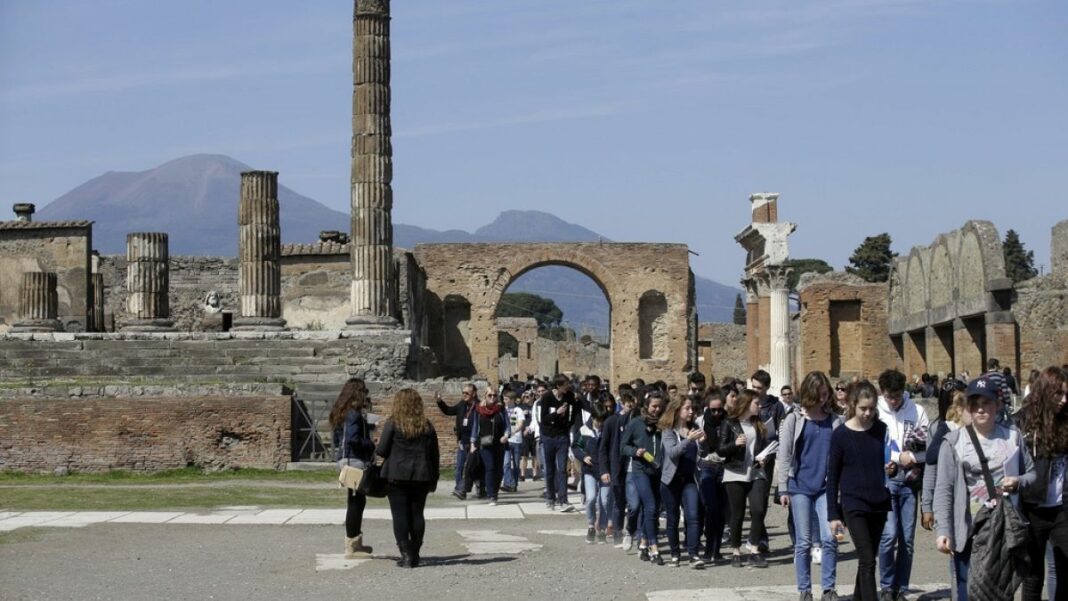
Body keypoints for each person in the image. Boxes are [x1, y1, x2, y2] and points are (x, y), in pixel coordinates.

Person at [934, 376, 1036, 601]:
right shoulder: (953, 442)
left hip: (1003, 529)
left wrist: (1017, 481)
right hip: (968, 529)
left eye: (986, 403)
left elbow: (1032, 474)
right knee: (966, 590)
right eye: (974, 404)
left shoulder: (1012, 436)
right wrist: (943, 531)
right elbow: (943, 489)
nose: (980, 409)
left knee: (999, 592)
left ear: (997, 404)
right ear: (967, 407)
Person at [777, 371, 843, 601]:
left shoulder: (834, 420)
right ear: (810, 394)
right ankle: (804, 590)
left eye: (826, 395)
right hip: (800, 486)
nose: (824, 399)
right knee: (804, 542)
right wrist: (782, 487)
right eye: (820, 395)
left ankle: (828, 588)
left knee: (830, 538)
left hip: (827, 487)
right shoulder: (793, 419)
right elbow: (784, 455)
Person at [827, 381, 894, 601]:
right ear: (853, 405)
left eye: (871, 408)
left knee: (868, 559)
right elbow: (833, 477)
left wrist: (891, 468)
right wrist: (833, 514)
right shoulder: (840, 435)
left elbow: (885, 461)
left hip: (879, 501)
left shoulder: (881, 429)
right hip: (853, 503)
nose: (867, 413)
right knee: (867, 560)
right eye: (863, 408)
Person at [1014, 366, 1068, 601]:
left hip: (1062, 509)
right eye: (1059, 394)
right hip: (1032, 508)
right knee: (1033, 574)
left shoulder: (1066, 419)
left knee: (1065, 569)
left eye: (1067, 394)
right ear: (1045, 392)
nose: (1064, 400)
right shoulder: (1023, 422)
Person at [876, 369, 929, 601]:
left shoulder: (917, 411)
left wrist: (914, 458)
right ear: (882, 393)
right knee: (888, 536)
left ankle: (902, 588)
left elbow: (929, 447)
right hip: (885, 480)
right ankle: (887, 585)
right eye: (889, 396)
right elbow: (871, 445)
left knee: (907, 539)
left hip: (910, 481)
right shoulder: (875, 410)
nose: (894, 401)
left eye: (897, 395)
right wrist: (897, 458)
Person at [375, 388, 440, 568]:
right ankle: (416, 552)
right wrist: (435, 477)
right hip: (421, 476)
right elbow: (434, 454)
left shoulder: (393, 423)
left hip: (396, 476)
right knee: (417, 515)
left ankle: (406, 555)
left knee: (400, 516)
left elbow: (382, 451)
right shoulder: (427, 425)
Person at [718, 388, 774, 568]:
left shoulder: (760, 424)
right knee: (737, 513)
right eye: (756, 403)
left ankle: (754, 549)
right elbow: (721, 449)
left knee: (758, 510)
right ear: (747, 403)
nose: (759, 406)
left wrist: (765, 457)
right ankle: (736, 551)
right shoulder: (729, 423)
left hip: (756, 471)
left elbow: (765, 446)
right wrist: (734, 445)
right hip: (735, 472)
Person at [330, 377, 376, 558]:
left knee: (355, 501)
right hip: (355, 460)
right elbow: (353, 439)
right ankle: (352, 546)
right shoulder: (354, 414)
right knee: (356, 502)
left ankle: (356, 543)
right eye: (364, 392)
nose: (366, 396)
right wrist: (370, 444)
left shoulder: (340, 412)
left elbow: (337, 439)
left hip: (345, 459)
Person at [621, 390, 666, 564]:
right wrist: (635, 451)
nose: (657, 410)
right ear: (646, 406)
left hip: (658, 471)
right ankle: (654, 547)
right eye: (654, 406)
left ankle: (643, 543)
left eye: (660, 407)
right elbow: (622, 446)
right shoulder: (635, 423)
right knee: (650, 506)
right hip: (640, 470)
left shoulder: (664, 424)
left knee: (653, 509)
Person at [660, 394, 705, 568]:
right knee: (673, 518)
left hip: (689, 479)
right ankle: (674, 554)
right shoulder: (668, 430)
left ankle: (693, 554)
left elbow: (703, 451)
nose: (691, 411)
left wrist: (703, 443)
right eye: (687, 408)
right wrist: (689, 440)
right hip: (671, 480)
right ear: (677, 411)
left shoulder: (695, 428)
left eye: (692, 408)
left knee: (693, 516)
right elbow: (672, 452)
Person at [600, 391, 636, 548]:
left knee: (634, 503)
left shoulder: (637, 421)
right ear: (622, 404)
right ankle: (617, 532)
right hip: (616, 466)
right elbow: (604, 448)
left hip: (633, 467)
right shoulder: (611, 421)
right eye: (628, 405)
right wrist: (604, 469)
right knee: (618, 502)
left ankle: (634, 532)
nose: (631, 408)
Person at [697, 390, 728, 564]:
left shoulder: (728, 421)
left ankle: (717, 550)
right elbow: (698, 450)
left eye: (719, 410)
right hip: (707, 467)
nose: (716, 413)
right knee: (711, 509)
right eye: (713, 410)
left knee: (722, 510)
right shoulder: (700, 422)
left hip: (724, 468)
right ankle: (708, 548)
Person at [540, 374, 578, 512]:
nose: (568, 387)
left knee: (562, 469)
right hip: (548, 436)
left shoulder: (569, 396)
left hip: (562, 436)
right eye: (565, 385)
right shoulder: (547, 397)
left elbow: (575, 409)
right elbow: (543, 418)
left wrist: (570, 423)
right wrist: (557, 413)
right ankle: (550, 498)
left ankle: (563, 500)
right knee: (550, 470)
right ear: (558, 386)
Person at [574, 409, 611, 544]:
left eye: (602, 421)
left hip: (605, 469)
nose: (599, 423)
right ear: (593, 418)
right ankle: (591, 525)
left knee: (604, 501)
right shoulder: (584, 430)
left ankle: (601, 528)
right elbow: (576, 446)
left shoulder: (607, 430)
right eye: (597, 420)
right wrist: (583, 456)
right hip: (589, 469)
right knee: (590, 498)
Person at [435, 383, 477, 499]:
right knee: (459, 467)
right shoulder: (461, 404)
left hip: (474, 443)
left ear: (474, 394)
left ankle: (476, 487)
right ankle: (459, 489)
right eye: (463, 393)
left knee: (471, 468)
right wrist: (440, 402)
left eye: (467, 393)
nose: (464, 395)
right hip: (462, 442)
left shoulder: (478, 406)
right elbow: (448, 411)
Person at [470, 388, 511, 505]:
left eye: (494, 395)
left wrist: (506, 435)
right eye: (489, 395)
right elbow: (475, 427)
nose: (492, 397)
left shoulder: (501, 409)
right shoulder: (478, 410)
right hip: (484, 444)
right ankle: (491, 495)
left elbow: (507, 425)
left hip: (499, 444)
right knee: (490, 467)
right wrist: (473, 443)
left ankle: (495, 492)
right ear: (485, 396)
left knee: (499, 470)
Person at [502, 389, 524, 493]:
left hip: (516, 440)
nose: (504, 401)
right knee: (506, 463)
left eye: (506, 399)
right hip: (506, 440)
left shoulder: (518, 410)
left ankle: (514, 485)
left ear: (512, 400)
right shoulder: (503, 410)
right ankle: (508, 483)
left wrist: (513, 431)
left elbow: (520, 424)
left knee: (515, 464)